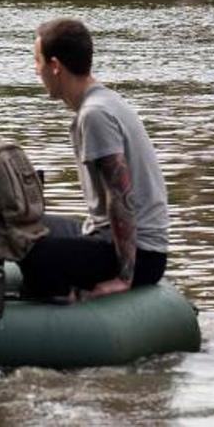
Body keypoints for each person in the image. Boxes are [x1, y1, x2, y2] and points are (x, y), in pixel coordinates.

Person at [18, 18, 170, 300]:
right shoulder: (103, 101)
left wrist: (125, 277)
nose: (35, 69)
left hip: (141, 256)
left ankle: (63, 309)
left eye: (36, 61)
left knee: (34, 254)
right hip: (114, 240)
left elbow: (119, 196)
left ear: (55, 66)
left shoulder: (95, 114)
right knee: (22, 229)